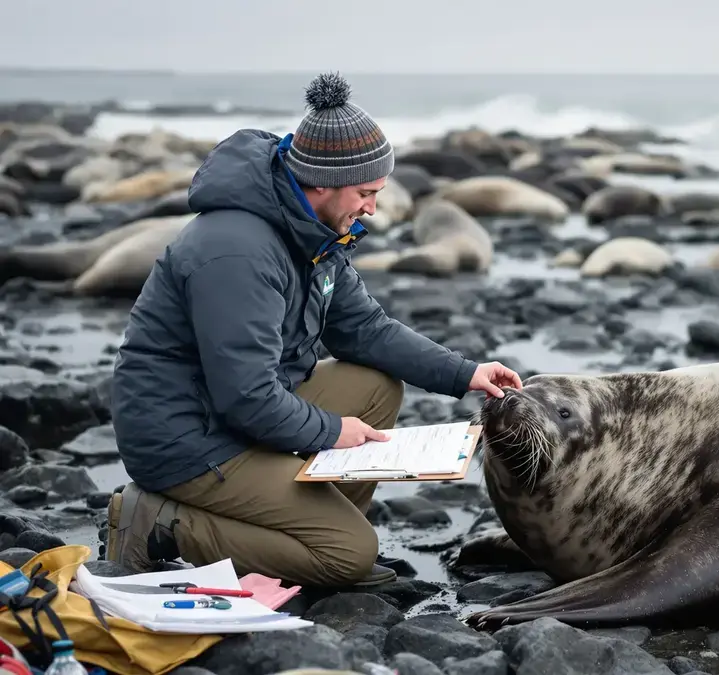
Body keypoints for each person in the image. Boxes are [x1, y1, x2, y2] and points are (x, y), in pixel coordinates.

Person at [103, 71, 522, 590]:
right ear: (321, 182)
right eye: (365, 192)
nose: (372, 207)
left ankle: (300, 532)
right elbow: (246, 395)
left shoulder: (314, 232)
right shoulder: (237, 252)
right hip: (188, 439)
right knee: (348, 556)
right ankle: (159, 524)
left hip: (235, 411)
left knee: (373, 386)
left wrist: (464, 373)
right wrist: (329, 431)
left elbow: (364, 329)